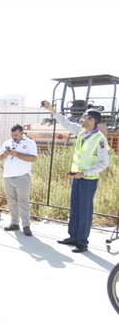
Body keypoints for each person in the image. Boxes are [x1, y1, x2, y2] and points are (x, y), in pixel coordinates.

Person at [42, 101, 110, 252]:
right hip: (77, 178)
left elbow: (104, 163)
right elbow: (65, 122)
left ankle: (82, 242)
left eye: (84, 117)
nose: (81, 119)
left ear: (92, 120)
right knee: (75, 209)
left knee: (84, 211)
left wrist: (84, 173)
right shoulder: (81, 132)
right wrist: (52, 110)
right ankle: (73, 236)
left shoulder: (100, 139)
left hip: (88, 180)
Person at [0, 124, 38, 236]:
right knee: (12, 202)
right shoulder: (7, 143)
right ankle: (14, 223)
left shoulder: (30, 143)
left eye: (16, 135)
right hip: (8, 176)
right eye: (12, 135)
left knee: (23, 202)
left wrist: (17, 154)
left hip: (22, 177)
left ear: (22, 133)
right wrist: (5, 154)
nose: (14, 137)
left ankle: (26, 225)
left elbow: (33, 158)